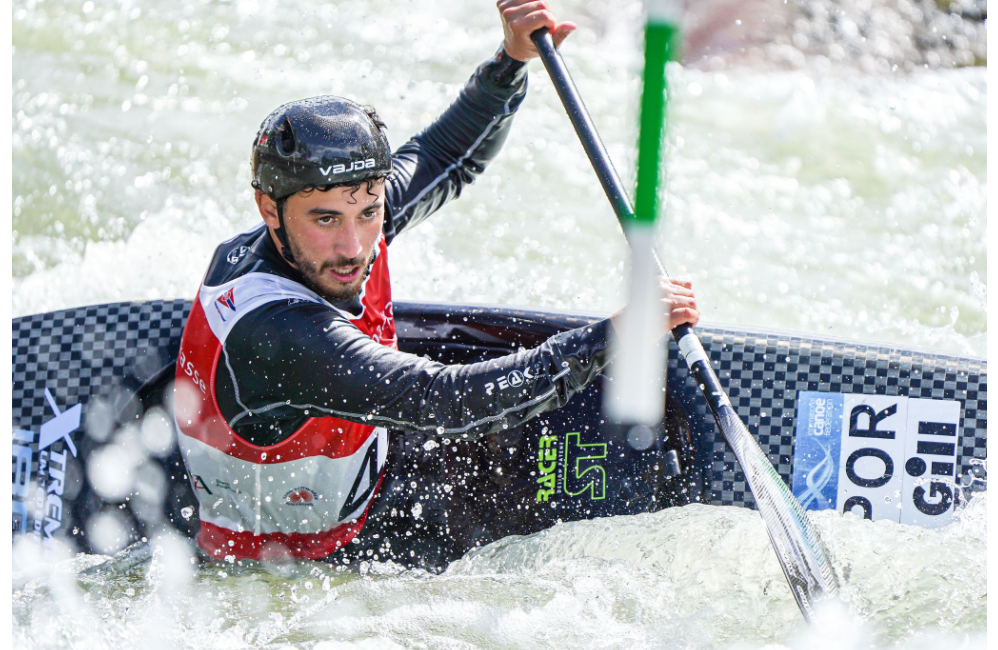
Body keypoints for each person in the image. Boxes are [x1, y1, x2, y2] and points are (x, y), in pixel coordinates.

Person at [173, 0, 700, 563]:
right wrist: (615, 335)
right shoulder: (278, 332)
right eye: (326, 220)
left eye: (370, 213)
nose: (354, 248)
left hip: (371, 463)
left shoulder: (340, 220)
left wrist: (509, 63)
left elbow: (447, 156)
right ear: (269, 209)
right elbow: (444, 401)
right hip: (307, 563)